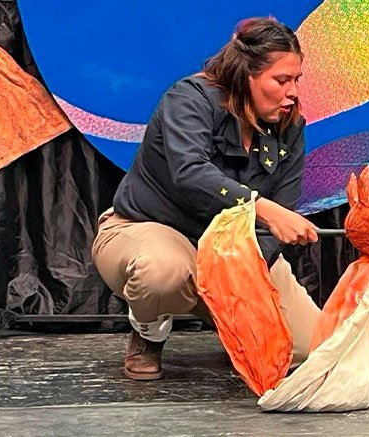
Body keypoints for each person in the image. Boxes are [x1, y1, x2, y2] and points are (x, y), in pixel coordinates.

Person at [92, 17, 318, 381]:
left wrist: (245, 284)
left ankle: (237, 333)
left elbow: (277, 218)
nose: (293, 92)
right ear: (247, 76)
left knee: (309, 348)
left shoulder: (290, 128)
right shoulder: (189, 100)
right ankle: (148, 331)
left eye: (296, 80)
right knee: (161, 273)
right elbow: (190, 173)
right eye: (281, 80)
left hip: (233, 251)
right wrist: (259, 206)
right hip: (154, 229)